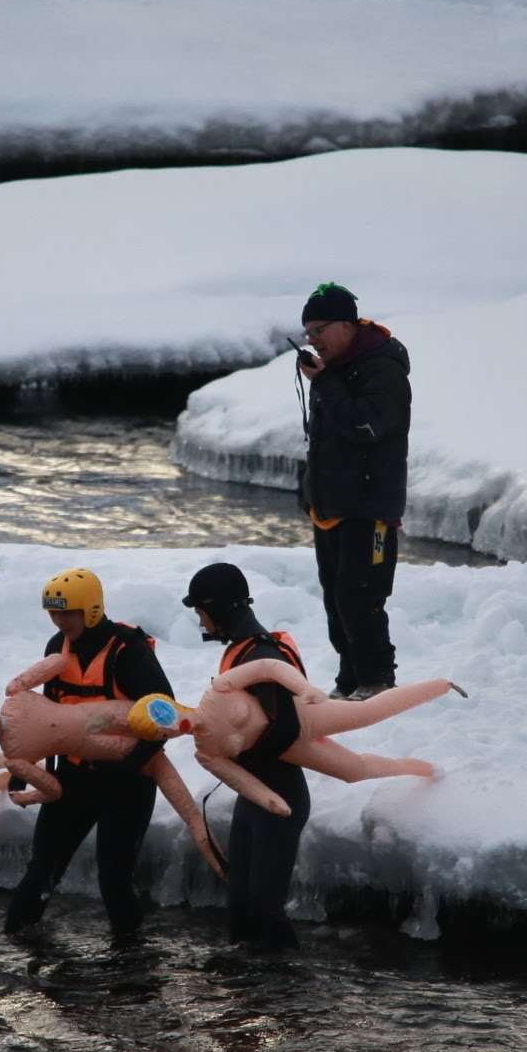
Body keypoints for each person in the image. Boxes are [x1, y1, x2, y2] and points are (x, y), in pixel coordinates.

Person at [2, 568, 174, 938]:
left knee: (113, 879)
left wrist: (128, 768)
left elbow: (165, 714)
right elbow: (46, 719)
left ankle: (131, 967)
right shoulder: (56, 648)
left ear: (92, 610)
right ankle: (15, 950)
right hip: (73, 779)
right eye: (53, 613)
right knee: (41, 872)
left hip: (127, 783)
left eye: (67, 613)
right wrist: (26, 765)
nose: (59, 621)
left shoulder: (128, 650)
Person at [182, 562, 309, 948]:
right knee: (240, 909)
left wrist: (234, 754)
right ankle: (248, 1000)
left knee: (264, 909)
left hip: (279, 796)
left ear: (219, 609)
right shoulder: (243, 650)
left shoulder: (262, 655)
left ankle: (294, 999)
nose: (202, 624)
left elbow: (287, 728)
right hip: (252, 795)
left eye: (201, 613)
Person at [297, 282, 411, 700]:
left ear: (346, 325)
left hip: (369, 507)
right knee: (335, 597)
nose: (313, 340)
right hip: (333, 505)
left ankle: (377, 680)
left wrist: (325, 383)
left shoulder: (383, 367)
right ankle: (350, 681)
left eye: (318, 330)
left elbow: (365, 426)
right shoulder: (340, 367)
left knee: (359, 596)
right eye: (307, 333)